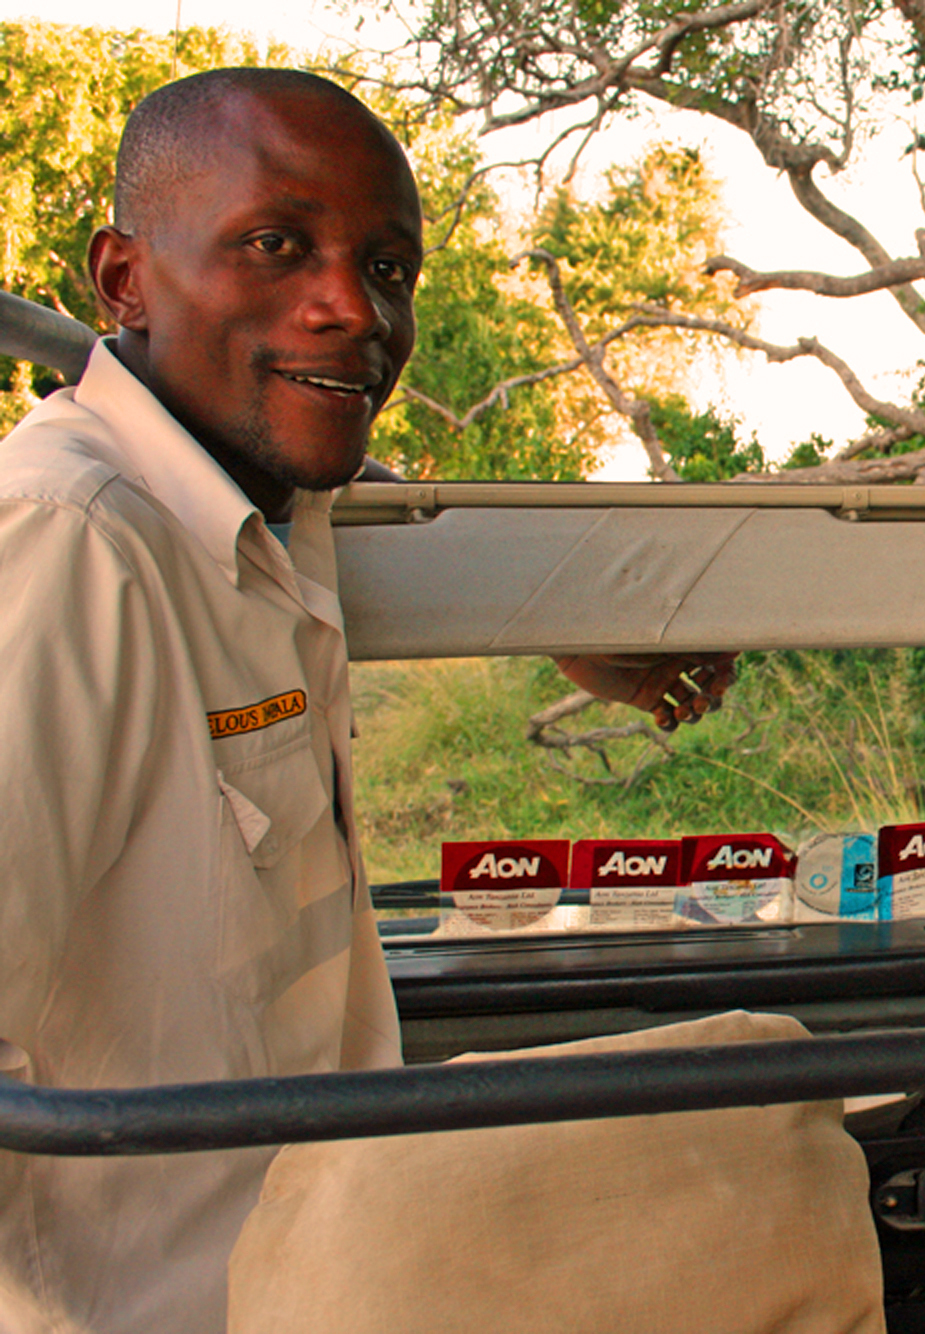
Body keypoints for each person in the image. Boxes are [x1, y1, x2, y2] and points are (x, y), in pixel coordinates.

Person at [0, 68, 730, 1334]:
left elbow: (371, 491)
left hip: (334, 1269)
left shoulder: (261, 492)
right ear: (123, 280)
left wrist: (558, 623)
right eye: (275, 246)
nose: (351, 308)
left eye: (387, 268)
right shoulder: (73, 545)